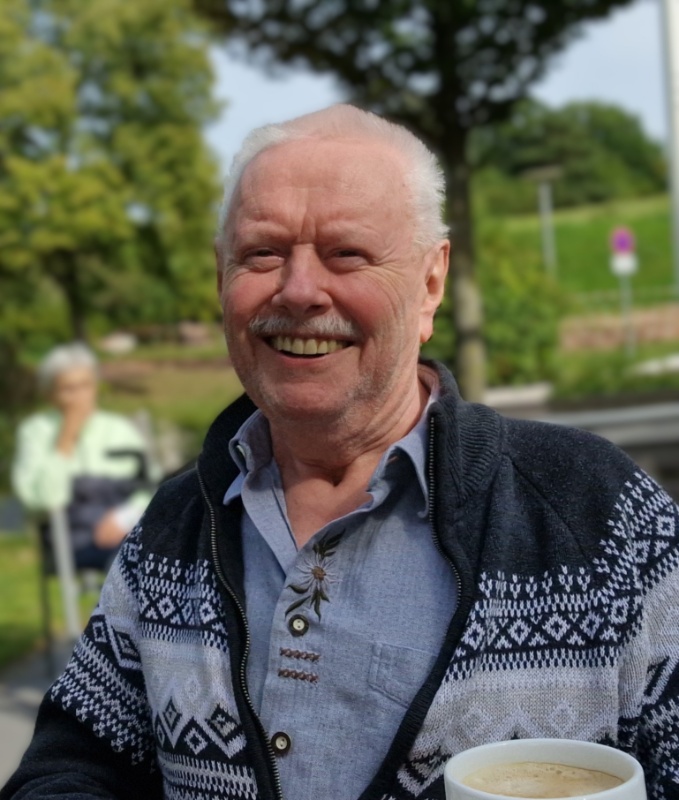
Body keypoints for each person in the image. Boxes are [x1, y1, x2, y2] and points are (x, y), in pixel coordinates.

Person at [3, 105, 679, 800]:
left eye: (346, 253)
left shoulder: (598, 514)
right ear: (220, 276)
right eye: (262, 253)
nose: (298, 290)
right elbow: (71, 764)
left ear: (430, 283)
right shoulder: (178, 523)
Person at [11, 342, 154, 571]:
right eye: (68, 389)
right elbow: (43, 501)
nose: (80, 396)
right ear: (50, 394)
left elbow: (153, 486)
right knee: (131, 558)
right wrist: (65, 439)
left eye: (85, 386)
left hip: (131, 529)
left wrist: (126, 517)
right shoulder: (36, 432)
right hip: (71, 539)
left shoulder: (119, 429)